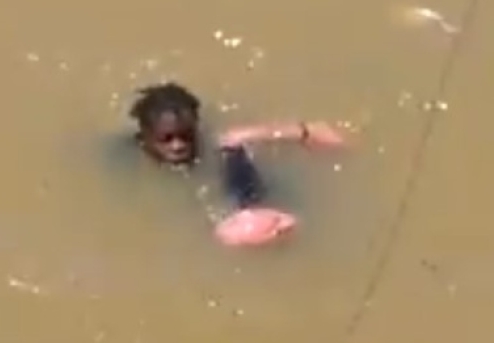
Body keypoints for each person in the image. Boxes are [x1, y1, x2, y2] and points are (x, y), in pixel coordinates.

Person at [129, 82, 346, 247]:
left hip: (240, 195)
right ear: (144, 138)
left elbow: (242, 137)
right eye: (166, 139)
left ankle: (254, 211)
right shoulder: (128, 157)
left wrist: (304, 132)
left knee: (233, 156)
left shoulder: (219, 145)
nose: (178, 146)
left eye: (186, 136)